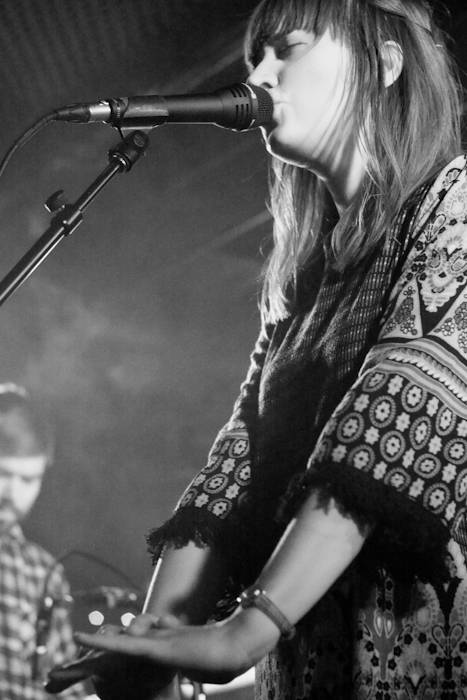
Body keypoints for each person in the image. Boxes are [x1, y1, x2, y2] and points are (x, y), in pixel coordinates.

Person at [71, 0, 467, 697]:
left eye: (289, 47)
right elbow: (238, 462)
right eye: (257, 56)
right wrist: (155, 636)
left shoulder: (454, 205)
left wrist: (249, 629)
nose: (258, 74)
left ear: (383, 63)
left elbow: (398, 407)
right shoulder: (306, 282)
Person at [0, 384, 87, 699]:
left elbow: (64, 686)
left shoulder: (43, 571)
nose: (11, 494)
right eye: (2, 474)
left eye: (27, 480)